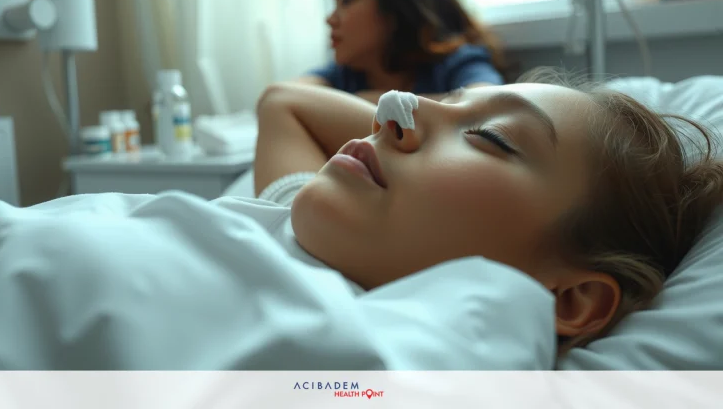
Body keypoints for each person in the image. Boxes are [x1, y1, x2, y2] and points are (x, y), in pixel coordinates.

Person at [255, 67, 723, 351]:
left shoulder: (439, 363)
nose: (395, 107)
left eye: (492, 138)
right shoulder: (297, 218)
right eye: (442, 101)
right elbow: (284, 102)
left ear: (568, 298)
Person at [297, 0, 507, 104]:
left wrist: (372, 101)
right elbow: (282, 97)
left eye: (347, 0)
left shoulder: (456, 63)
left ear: (395, 9)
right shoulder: (343, 74)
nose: (330, 19)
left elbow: (485, 103)